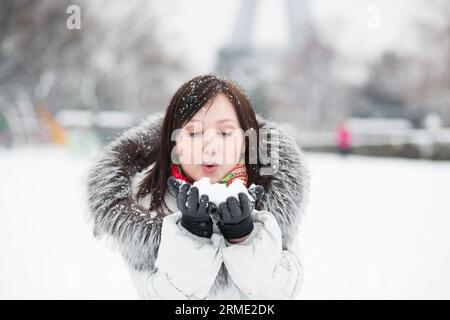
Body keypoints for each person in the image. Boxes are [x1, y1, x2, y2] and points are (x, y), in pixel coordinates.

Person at [85, 74, 310, 299]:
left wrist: (244, 236)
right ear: (174, 142)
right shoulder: (143, 204)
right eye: (194, 133)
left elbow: (281, 293)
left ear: (245, 140)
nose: (210, 147)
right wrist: (191, 236)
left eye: (225, 133)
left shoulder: (272, 196)